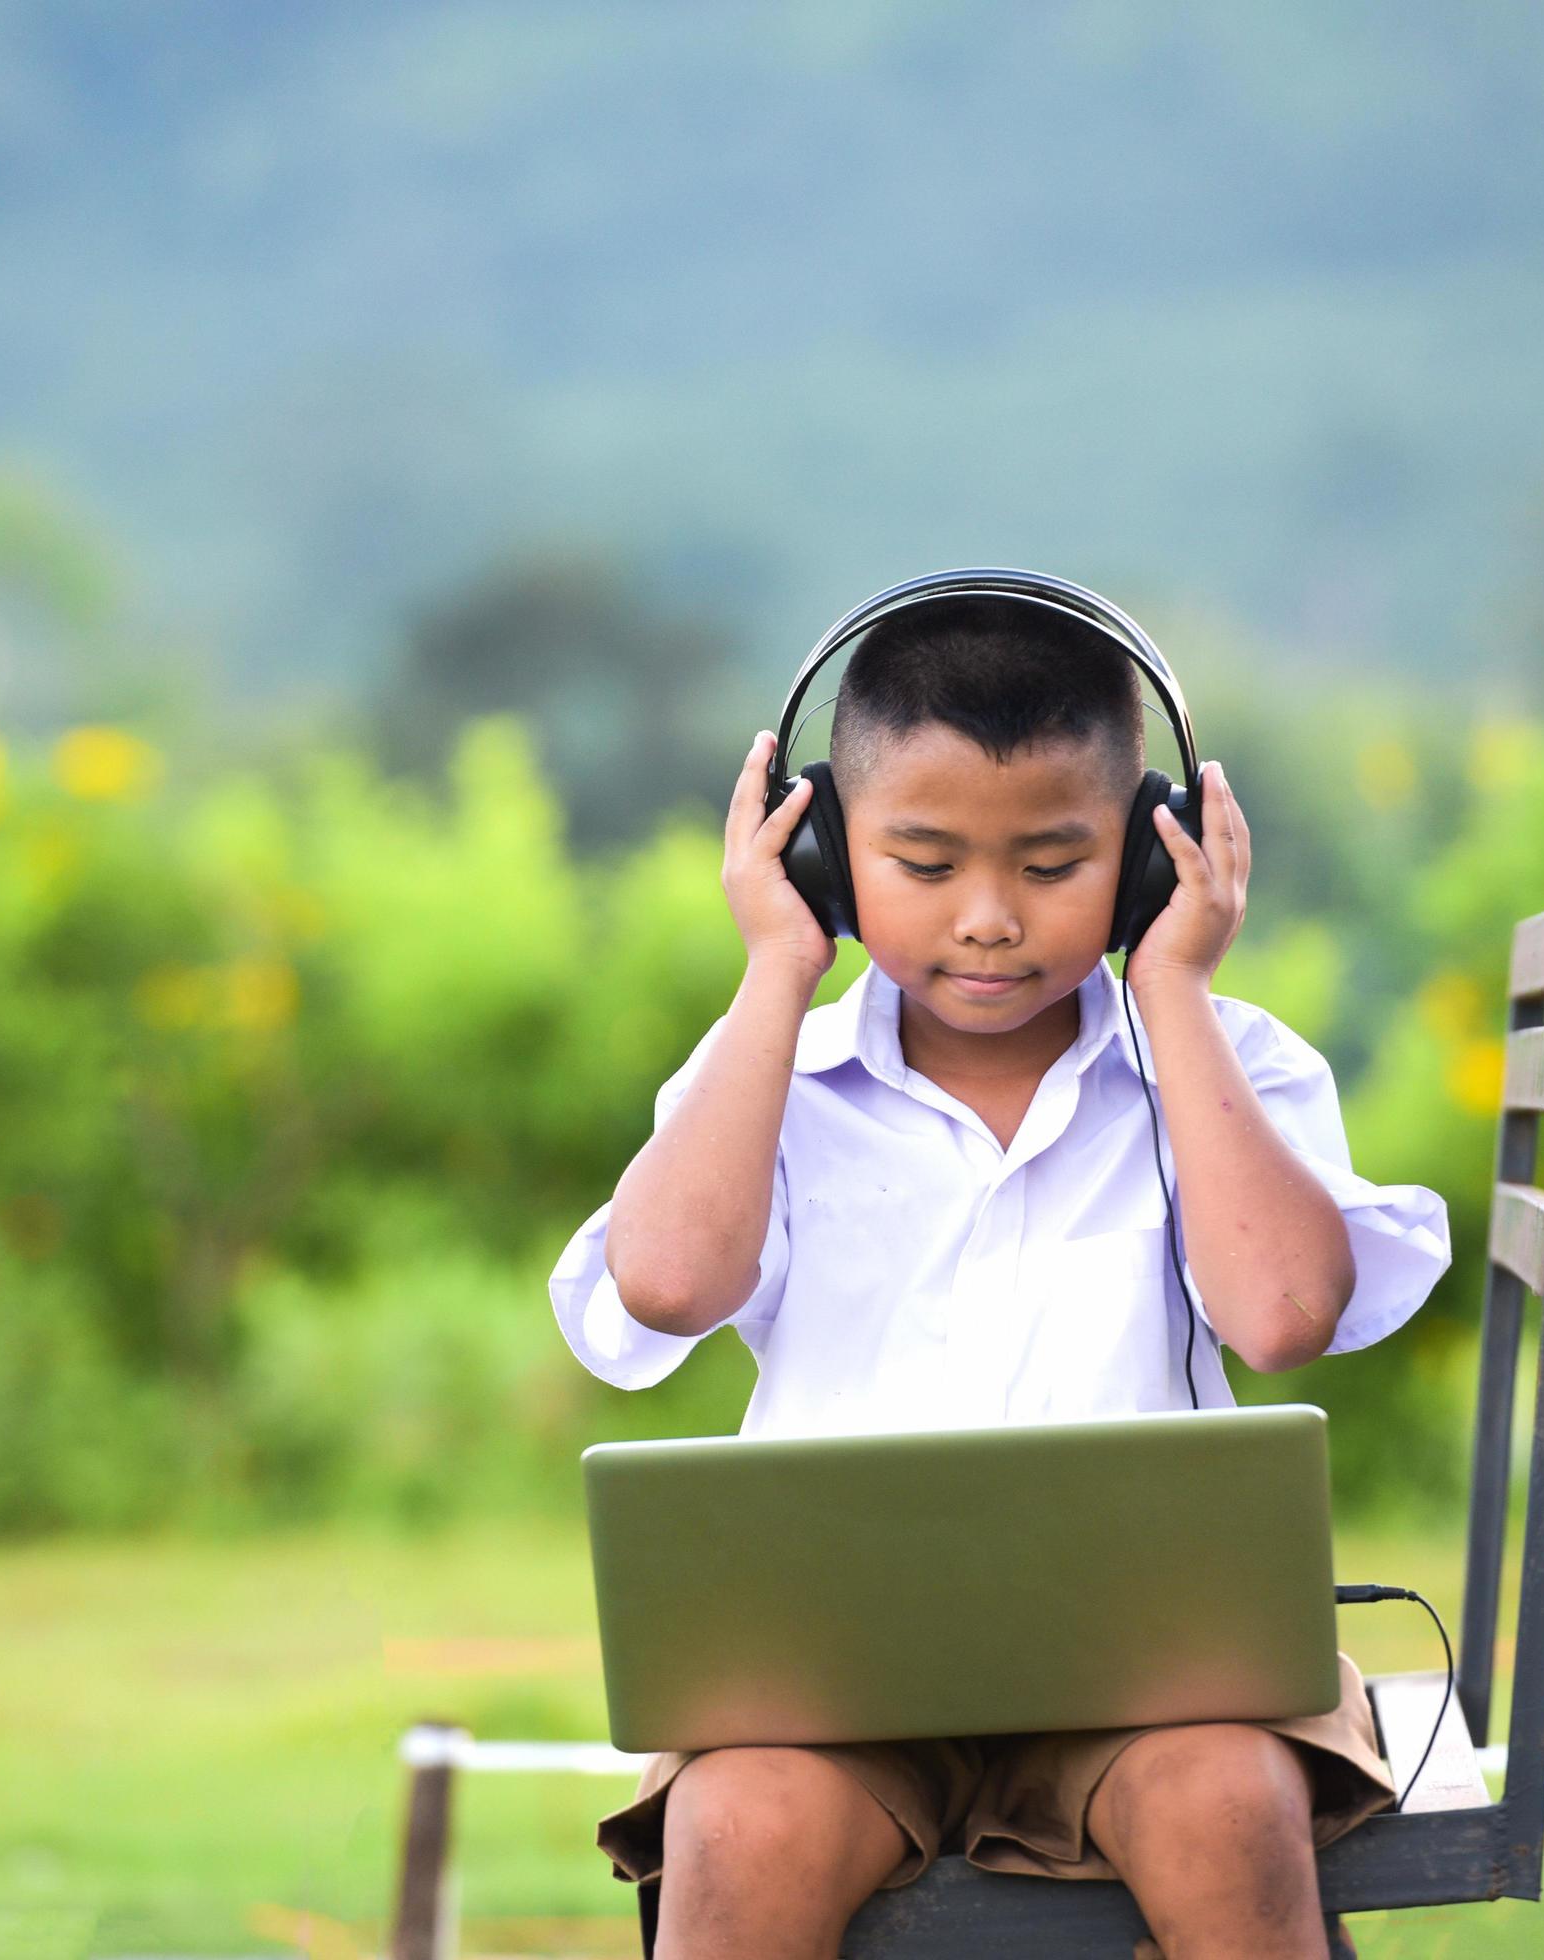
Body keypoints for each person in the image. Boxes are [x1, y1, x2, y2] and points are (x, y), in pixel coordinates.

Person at [545, 593, 1451, 1959]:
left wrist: (1177, 994)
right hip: (834, 1698)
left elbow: (1282, 1316)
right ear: (825, 862)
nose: (985, 920)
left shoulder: (1224, 1064)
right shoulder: (766, 1077)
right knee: (734, 1826)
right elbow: (665, 1282)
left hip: (1160, 1695)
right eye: (921, 863)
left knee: (1226, 1798)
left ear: (1154, 859)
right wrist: (772, 974)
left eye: (1051, 865)